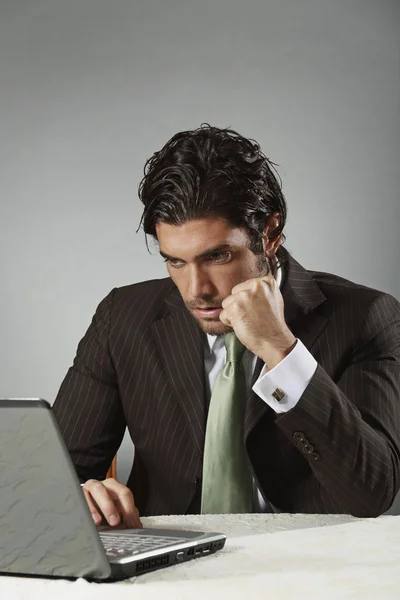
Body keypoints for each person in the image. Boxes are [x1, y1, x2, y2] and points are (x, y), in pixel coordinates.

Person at [53, 125, 400, 529]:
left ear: (269, 234)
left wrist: (281, 350)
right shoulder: (123, 316)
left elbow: (372, 492)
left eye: (217, 256)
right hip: (164, 563)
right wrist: (84, 495)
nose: (196, 291)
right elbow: (59, 473)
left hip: (306, 565)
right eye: (175, 261)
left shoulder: (367, 316)